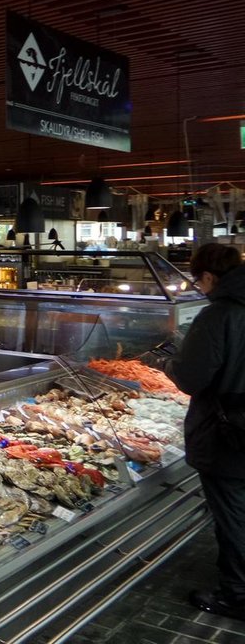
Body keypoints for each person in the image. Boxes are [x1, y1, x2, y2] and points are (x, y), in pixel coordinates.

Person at [167, 243, 245, 621]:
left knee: (233, 512)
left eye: (198, 281)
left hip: (230, 433)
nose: (199, 288)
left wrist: (169, 364)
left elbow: (192, 377)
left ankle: (238, 595)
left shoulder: (219, 314)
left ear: (210, 276)